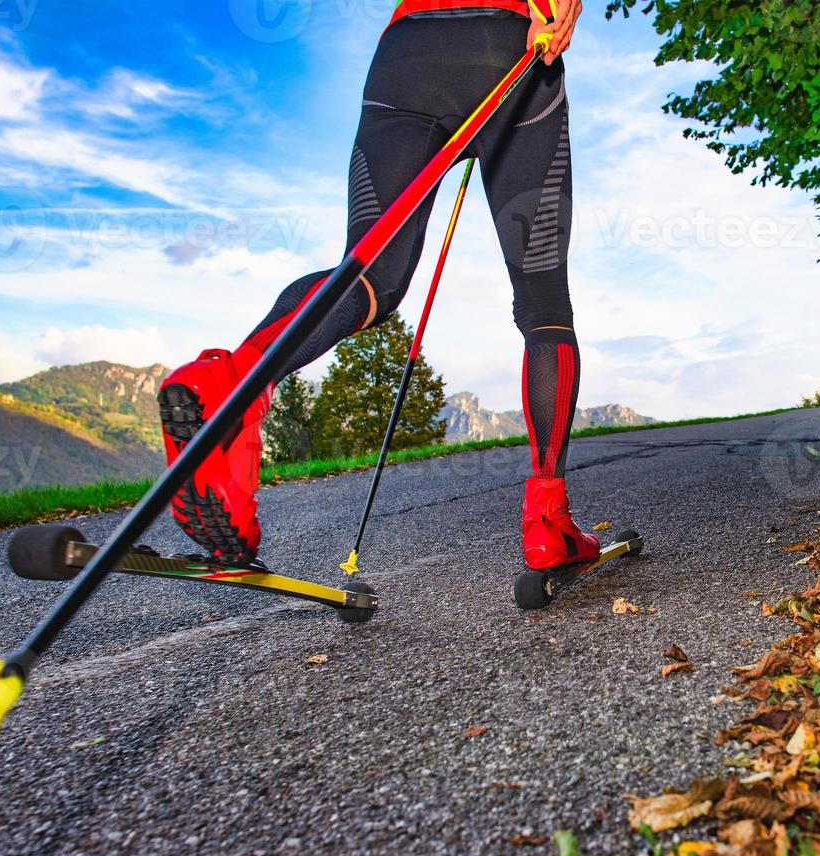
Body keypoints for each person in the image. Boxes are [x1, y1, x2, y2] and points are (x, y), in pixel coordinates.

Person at [156, 0, 598, 574]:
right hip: (512, 40)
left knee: (368, 276)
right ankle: (547, 522)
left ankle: (232, 381)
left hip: (404, 59)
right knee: (544, 308)